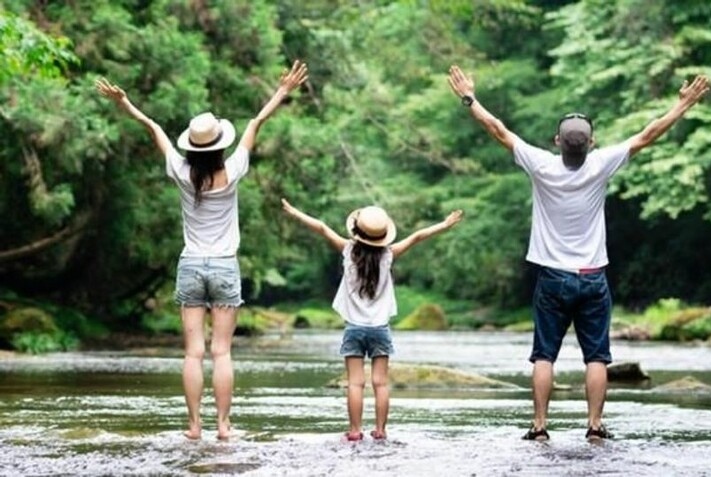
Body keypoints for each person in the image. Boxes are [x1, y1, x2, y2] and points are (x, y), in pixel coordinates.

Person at [446, 65, 709, 441]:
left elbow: (497, 130)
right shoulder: (602, 164)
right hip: (593, 277)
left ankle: (539, 427)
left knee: (543, 355)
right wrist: (682, 105)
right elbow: (648, 135)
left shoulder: (540, 165)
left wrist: (469, 97)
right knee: (597, 356)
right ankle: (595, 426)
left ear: (557, 141)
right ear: (592, 143)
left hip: (552, 276)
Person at [95, 60, 309, 440]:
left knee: (193, 353)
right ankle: (224, 427)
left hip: (191, 265)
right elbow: (256, 123)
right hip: (224, 266)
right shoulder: (233, 170)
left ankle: (194, 427)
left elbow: (155, 129)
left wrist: (124, 102)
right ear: (219, 145)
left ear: (192, 147)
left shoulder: (179, 170)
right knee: (221, 353)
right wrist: (283, 91)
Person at [280, 199, 463, 441]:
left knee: (355, 384)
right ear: (383, 236)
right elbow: (418, 237)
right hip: (380, 329)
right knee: (380, 384)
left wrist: (294, 212)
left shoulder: (347, 250)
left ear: (356, 231)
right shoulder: (388, 255)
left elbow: (322, 228)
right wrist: (445, 224)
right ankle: (380, 430)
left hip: (353, 329)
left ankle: (355, 431)